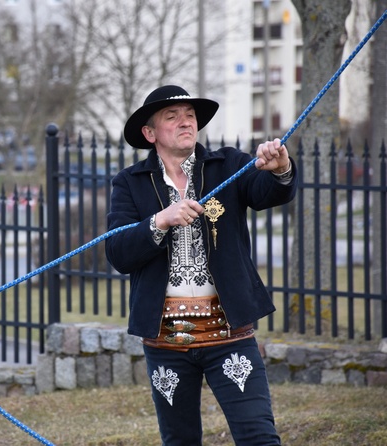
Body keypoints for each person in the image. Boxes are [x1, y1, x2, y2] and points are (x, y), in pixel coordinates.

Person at [105, 85, 296, 445]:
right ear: (150, 133)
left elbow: (268, 191)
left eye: (190, 115)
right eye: (172, 116)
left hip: (229, 335)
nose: (185, 122)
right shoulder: (130, 184)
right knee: (180, 441)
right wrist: (160, 221)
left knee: (258, 436)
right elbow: (117, 252)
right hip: (164, 342)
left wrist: (280, 168)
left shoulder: (227, 165)